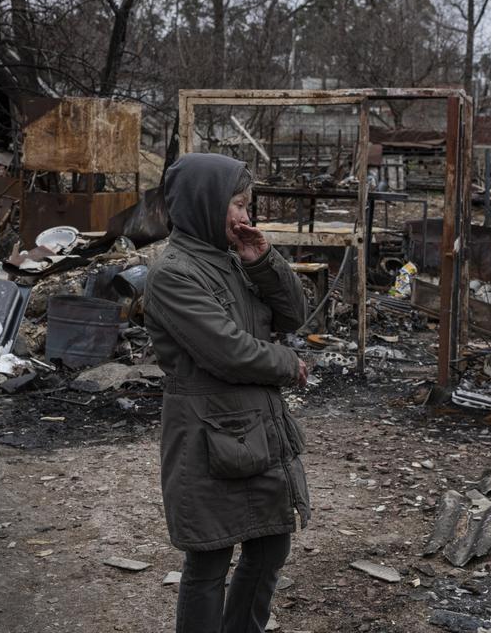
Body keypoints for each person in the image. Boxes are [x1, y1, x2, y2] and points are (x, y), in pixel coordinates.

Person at [145, 153, 311, 633]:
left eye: (246, 205)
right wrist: (289, 365)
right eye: (236, 205)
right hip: (205, 432)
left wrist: (264, 263)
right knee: (210, 557)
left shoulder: (234, 257)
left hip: (256, 424)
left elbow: (293, 315)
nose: (245, 217)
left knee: (270, 544)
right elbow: (228, 352)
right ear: (203, 203)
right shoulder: (173, 273)